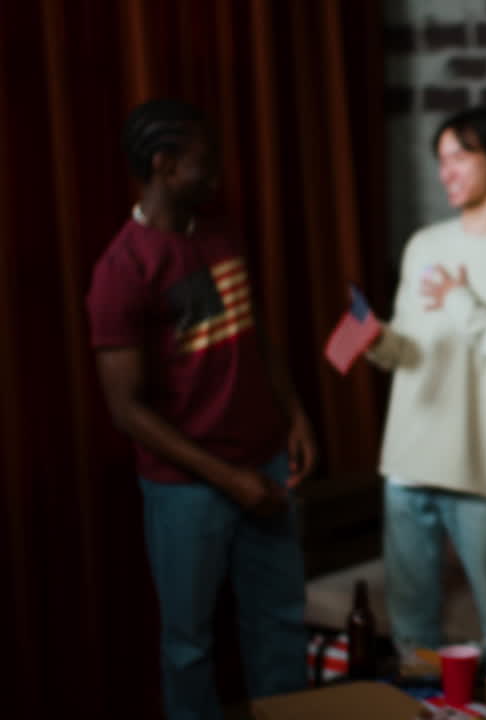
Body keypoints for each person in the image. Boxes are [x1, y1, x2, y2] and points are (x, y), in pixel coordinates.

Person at [87, 98, 316, 720]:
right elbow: (126, 411)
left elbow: (254, 329)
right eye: (203, 161)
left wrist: (293, 414)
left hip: (264, 466)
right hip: (188, 489)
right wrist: (231, 481)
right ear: (163, 166)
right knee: (189, 647)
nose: (217, 173)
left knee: (281, 627)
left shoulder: (218, 232)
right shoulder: (121, 269)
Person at [363, 106, 486, 679]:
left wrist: (460, 300)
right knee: (412, 633)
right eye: (440, 160)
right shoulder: (425, 244)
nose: (445, 171)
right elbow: (410, 349)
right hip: (407, 458)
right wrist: (376, 341)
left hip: (482, 465)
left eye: (459, 157)